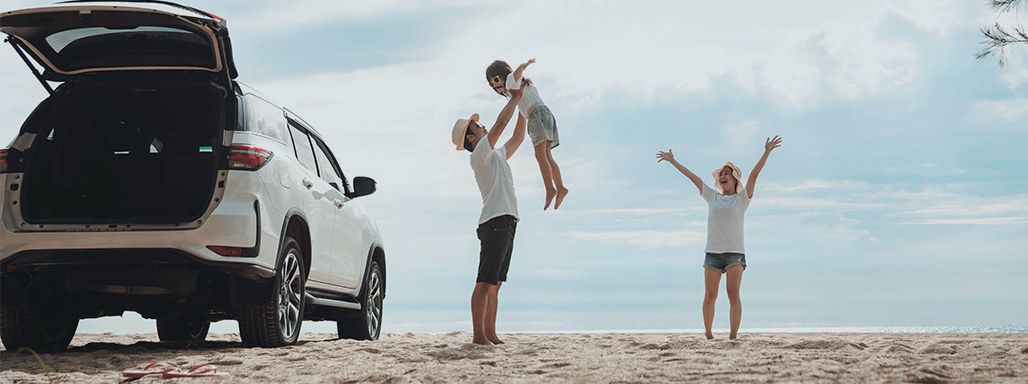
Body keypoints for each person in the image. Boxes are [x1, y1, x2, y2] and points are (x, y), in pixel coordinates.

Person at [656, 136, 783, 340]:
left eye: (727, 174)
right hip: (712, 254)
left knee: (733, 294)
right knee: (710, 296)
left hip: (735, 254)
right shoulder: (712, 196)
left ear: (734, 179)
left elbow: (755, 175)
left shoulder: (742, 199)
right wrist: (673, 161)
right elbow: (693, 178)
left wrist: (767, 151)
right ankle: (708, 336)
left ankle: (733, 337)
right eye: (721, 174)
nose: (723, 176)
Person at [450, 86, 526, 345]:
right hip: (494, 223)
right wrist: (515, 97)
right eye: (478, 126)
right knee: (484, 282)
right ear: (471, 138)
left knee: (495, 284)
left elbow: (517, 137)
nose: (482, 126)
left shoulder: (496, 155)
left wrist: (524, 106)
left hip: (507, 221)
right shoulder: (480, 154)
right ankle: (479, 337)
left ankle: (490, 334)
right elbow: (502, 121)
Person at [485, 59, 569, 210]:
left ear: (503, 74)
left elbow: (513, 75)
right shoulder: (525, 85)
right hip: (546, 113)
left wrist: (522, 66)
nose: (495, 84)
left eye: (496, 80)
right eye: (492, 84)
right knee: (548, 156)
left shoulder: (512, 82)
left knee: (540, 155)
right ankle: (561, 187)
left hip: (535, 116)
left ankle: (550, 189)